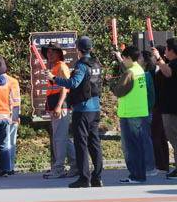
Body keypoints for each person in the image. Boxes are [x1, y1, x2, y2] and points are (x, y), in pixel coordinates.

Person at [48, 35, 103, 188]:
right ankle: (97, 177)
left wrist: (54, 78)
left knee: (81, 144)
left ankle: (84, 178)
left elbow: (74, 83)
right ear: (90, 48)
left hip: (83, 109)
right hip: (95, 108)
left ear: (78, 49)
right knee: (95, 143)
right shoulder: (96, 64)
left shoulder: (81, 65)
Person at [108, 45, 149, 184]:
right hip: (140, 111)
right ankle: (140, 174)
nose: (123, 61)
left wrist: (111, 83)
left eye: (124, 58)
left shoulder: (130, 73)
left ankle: (136, 175)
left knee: (131, 147)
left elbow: (119, 91)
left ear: (130, 58)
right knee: (138, 145)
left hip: (130, 113)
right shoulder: (139, 70)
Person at [43, 43, 77, 180]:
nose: (49, 54)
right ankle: (76, 165)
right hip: (56, 106)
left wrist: (58, 105)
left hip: (60, 106)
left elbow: (65, 87)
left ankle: (59, 168)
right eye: (48, 52)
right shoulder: (54, 68)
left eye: (53, 52)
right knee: (63, 138)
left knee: (59, 139)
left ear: (59, 54)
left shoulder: (61, 66)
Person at [152, 37, 177, 178]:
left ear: (172, 50)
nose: (165, 51)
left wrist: (158, 59)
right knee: (173, 139)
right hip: (168, 108)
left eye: (167, 48)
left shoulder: (174, 64)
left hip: (172, 109)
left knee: (174, 138)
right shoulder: (171, 63)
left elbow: (168, 72)